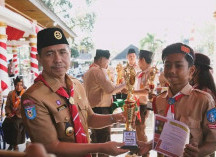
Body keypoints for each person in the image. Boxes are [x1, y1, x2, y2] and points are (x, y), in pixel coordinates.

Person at [21, 27, 128, 157]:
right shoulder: (33, 98)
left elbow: (90, 118)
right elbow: (51, 147)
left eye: (62, 52)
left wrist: (114, 118)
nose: (58, 59)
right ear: (39, 58)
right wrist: (101, 147)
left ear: (70, 54)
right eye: (49, 54)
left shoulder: (76, 85)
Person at [138, 43, 216, 157]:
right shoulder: (159, 100)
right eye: (167, 65)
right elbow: (162, 135)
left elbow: (215, 143)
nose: (172, 70)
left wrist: (199, 152)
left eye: (178, 66)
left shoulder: (203, 100)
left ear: (191, 71)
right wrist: (149, 145)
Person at [83, 49, 126, 157]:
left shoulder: (89, 71)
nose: (108, 64)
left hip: (92, 108)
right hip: (101, 109)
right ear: (102, 59)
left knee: (95, 140)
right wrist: (126, 84)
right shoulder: (98, 71)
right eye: (107, 61)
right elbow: (110, 89)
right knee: (104, 141)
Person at [133, 50, 154, 157]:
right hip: (137, 104)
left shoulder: (151, 73)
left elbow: (147, 92)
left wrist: (131, 92)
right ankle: (138, 152)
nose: (138, 62)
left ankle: (145, 153)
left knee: (141, 130)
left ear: (142, 60)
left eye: (138, 60)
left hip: (144, 105)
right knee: (137, 129)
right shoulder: (140, 73)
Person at [3, 76, 26, 151]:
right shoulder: (10, 93)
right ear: (15, 85)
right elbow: (7, 106)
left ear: (22, 85)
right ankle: (10, 143)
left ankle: (15, 145)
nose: (19, 87)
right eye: (17, 85)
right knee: (5, 124)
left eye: (20, 85)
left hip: (21, 116)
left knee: (15, 125)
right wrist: (8, 113)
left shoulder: (26, 94)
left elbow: (28, 106)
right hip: (11, 115)